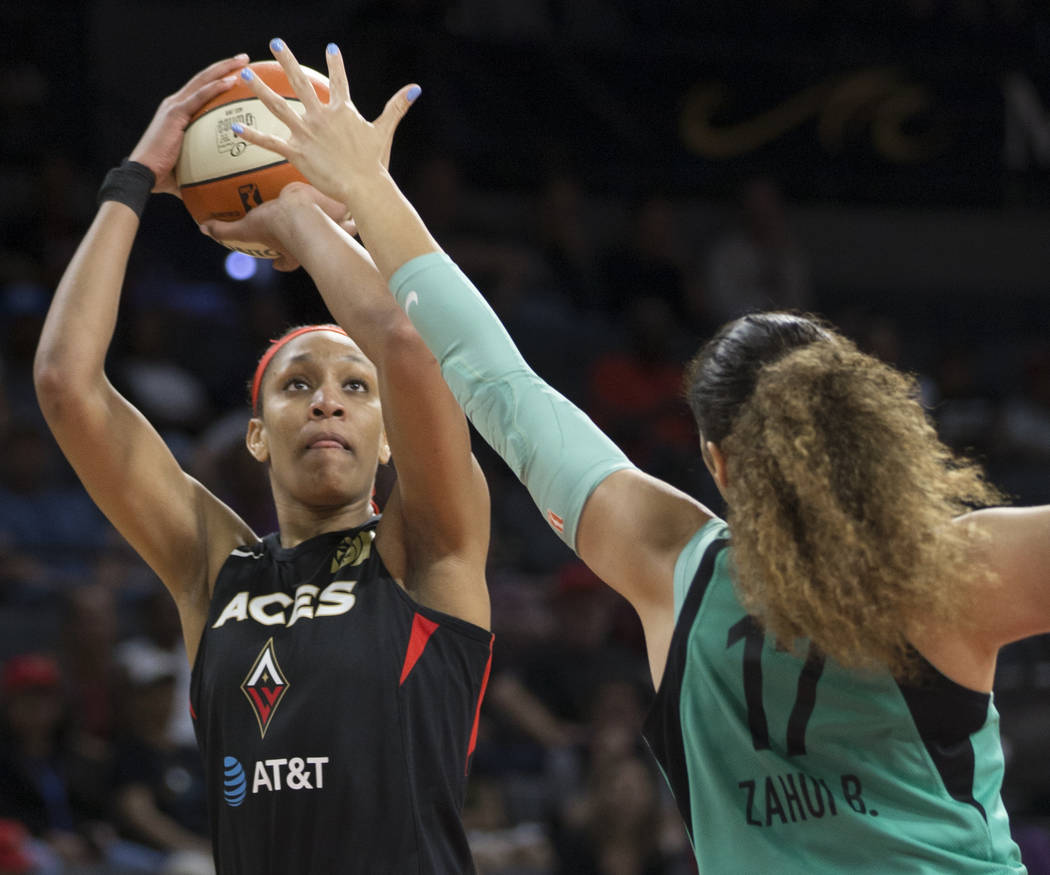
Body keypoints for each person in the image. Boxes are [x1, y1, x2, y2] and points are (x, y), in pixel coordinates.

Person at [210, 39, 1049, 872]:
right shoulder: (951, 571)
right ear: (872, 435)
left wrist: (363, 189)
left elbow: (494, 377)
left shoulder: (670, 566)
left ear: (717, 463)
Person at [34, 54, 494, 874]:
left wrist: (298, 220)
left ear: (389, 437)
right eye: (297, 384)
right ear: (256, 435)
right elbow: (67, 383)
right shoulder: (217, 570)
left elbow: (406, 344)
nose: (327, 400)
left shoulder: (427, 550)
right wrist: (137, 172)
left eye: (355, 388)